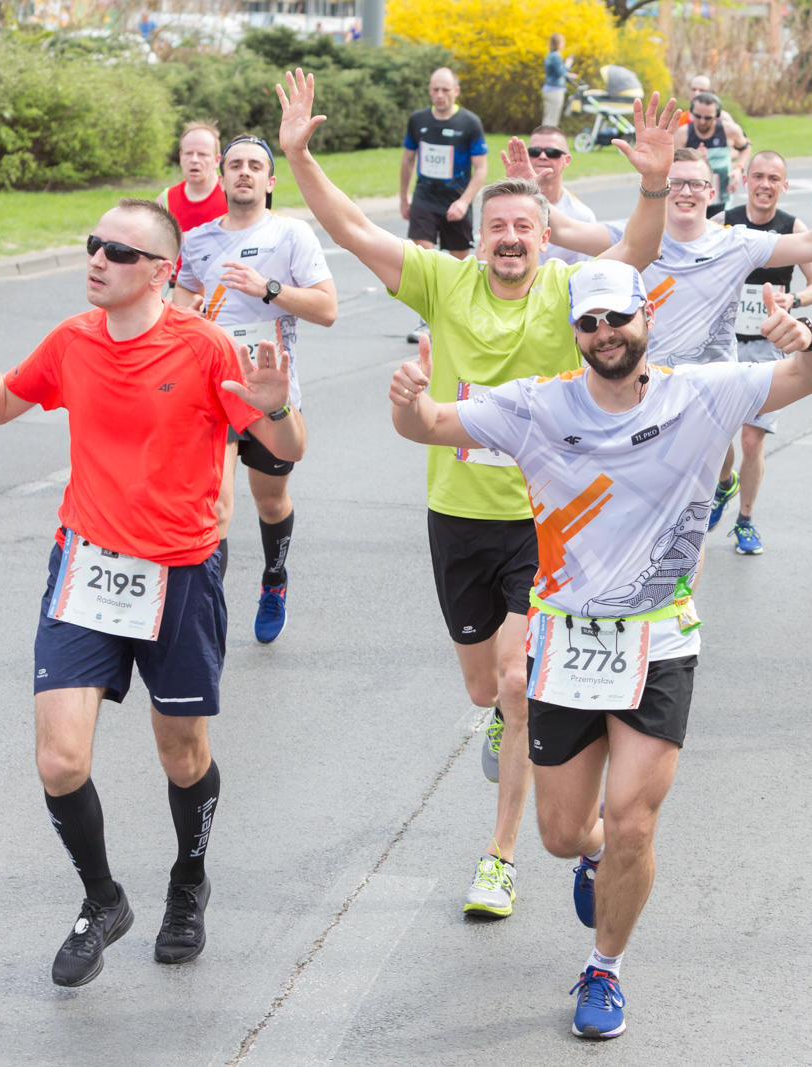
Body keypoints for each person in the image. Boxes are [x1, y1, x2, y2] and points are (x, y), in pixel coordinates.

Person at [387, 257, 812, 1041]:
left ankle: (605, 965)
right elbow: (430, 427)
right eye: (590, 324)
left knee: (634, 820)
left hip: (659, 635)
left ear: (645, 320)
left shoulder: (700, 392)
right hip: (564, 638)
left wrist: (804, 335)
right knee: (566, 833)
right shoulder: (537, 406)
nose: (605, 335)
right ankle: (592, 857)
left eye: (617, 320)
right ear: (576, 334)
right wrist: (408, 402)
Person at [277, 68, 677, 918]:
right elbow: (350, 229)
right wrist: (300, 159)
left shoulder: (571, 295)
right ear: (478, 232)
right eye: (495, 224)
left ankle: (499, 857)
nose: (508, 237)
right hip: (457, 516)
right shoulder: (442, 280)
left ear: (543, 236)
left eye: (524, 226)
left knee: (516, 682)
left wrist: (650, 182)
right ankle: (517, 739)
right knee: (481, 687)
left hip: (550, 522)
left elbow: (634, 253)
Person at [0, 198, 307, 986]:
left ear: (163, 271)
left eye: (119, 253)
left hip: (181, 573)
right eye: (94, 245)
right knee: (60, 760)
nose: (98, 259)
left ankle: (189, 881)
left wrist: (276, 405)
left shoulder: (205, 348)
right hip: (85, 568)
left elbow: (285, 446)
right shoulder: (72, 340)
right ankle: (103, 900)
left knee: (182, 753)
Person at [527, 144, 812, 531]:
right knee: (651, 502)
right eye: (675, 182)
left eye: (695, 184)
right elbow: (568, 229)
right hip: (646, 390)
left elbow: (810, 245)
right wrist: (529, 185)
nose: (685, 191)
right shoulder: (635, 236)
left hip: (711, 392)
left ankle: (685, 572)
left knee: (689, 512)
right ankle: (722, 486)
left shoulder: (734, 242)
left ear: (712, 191)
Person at [174, 135, 337, 642]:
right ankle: (208, 617)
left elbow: (327, 309)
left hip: (268, 392)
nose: (244, 172)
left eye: (255, 166)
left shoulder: (291, 235)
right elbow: (178, 307)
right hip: (212, 393)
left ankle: (274, 580)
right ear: (222, 178)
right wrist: (187, 315)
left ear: (270, 181)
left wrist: (267, 288)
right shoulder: (197, 240)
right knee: (215, 508)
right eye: (235, 165)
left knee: (270, 500)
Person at [722, 150, 812, 554]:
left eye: (774, 179)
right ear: (746, 180)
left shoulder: (792, 227)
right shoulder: (724, 221)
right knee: (716, 438)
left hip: (770, 349)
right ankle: (724, 481)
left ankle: (745, 520)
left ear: (784, 186)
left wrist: (793, 301)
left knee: (752, 440)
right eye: (758, 176)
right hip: (725, 345)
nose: (765, 185)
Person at [400, 67, 489, 342]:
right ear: (429, 90)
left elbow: (482, 168)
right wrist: (403, 197)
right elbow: (407, 160)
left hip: (456, 203)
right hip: (425, 199)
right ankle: (426, 320)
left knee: (457, 265)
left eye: (445, 90)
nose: (439, 95)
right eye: (435, 90)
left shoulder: (469, 123)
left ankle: (456, 317)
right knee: (423, 262)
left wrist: (464, 201)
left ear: (456, 92)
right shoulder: (418, 120)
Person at [157, 122, 227, 283]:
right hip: (179, 291)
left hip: (224, 290)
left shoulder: (232, 196)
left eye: (202, 154)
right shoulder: (165, 199)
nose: (194, 160)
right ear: (181, 158)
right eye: (189, 153)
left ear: (217, 160)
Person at [528, 125, 597, 265]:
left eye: (552, 152)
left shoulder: (582, 216)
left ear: (567, 160)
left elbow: (587, 271)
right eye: (535, 151)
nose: (542, 156)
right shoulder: (509, 207)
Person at [684, 92, 749, 214]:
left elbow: (745, 147)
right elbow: (673, 164)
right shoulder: (683, 133)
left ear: (717, 114)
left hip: (722, 196)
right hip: (693, 196)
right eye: (698, 116)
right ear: (692, 112)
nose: (702, 122)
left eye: (708, 118)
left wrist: (739, 168)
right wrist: (694, 158)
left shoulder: (729, 130)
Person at [542, 34, 571, 128]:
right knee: (552, 119)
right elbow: (560, 72)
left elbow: (554, 72)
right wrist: (567, 65)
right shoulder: (556, 56)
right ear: (559, 43)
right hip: (555, 90)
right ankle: (547, 140)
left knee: (548, 117)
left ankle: (543, 139)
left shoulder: (549, 55)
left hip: (548, 89)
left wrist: (568, 75)